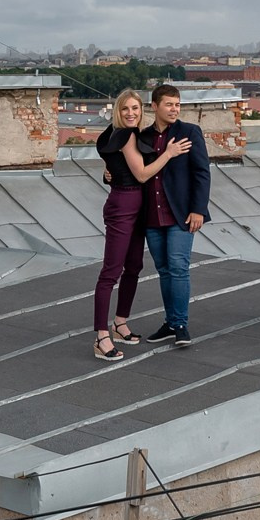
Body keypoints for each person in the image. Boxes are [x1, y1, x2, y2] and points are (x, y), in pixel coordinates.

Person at [92, 89, 190, 361]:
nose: (131, 113)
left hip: (137, 206)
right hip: (124, 206)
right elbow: (142, 173)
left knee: (134, 267)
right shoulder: (127, 135)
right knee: (110, 272)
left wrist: (108, 173)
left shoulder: (111, 133)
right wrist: (169, 153)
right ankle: (101, 336)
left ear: (142, 109)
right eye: (126, 109)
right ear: (117, 111)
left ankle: (120, 322)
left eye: (135, 108)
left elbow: (111, 161)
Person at [141, 84, 211, 346]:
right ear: (155, 106)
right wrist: (108, 174)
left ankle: (180, 324)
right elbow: (137, 171)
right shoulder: (144, 136)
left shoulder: (189, 131)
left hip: (181, 214)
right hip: (151, 215)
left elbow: (202, 173)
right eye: (169, 104)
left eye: (177, 104)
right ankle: (170, 323)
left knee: (179, 268)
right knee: (164, 270)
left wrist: (198, 209)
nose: (174, 109)